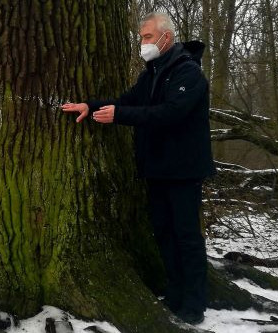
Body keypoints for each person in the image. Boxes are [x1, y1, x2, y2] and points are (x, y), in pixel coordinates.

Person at [61, 12, 216, 325]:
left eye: (147, 37)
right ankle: (174, 292)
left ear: (166, 37)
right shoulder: (153, 72)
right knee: (163, 233)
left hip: (184, 170)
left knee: (186, 236)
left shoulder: (188, 73)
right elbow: (127, 101)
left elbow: (171, 113)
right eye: (141, 37)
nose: (142, 43)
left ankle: (195, 302)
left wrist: (119, 115)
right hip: (157, 168)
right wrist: (90, 106)